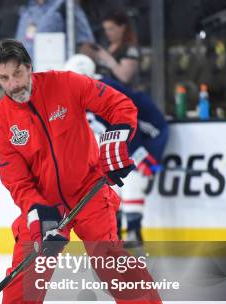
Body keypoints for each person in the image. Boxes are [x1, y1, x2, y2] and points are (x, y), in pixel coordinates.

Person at [0, 39, 175, 304]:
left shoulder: (65, 83)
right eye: (4, 79)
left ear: (29, 67)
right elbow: (18, 182)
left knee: (110, 259)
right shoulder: (0, 124)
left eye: (17, 74)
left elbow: (119, 105)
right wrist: (39, 212)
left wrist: (115, 141)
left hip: (89, 190)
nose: (13, 85)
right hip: (45, 206)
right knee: (26, 273)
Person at [65, 54, 169, 246]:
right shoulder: (80, 95)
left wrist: (141, 156)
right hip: (128, 136)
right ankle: (117, 232)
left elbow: (129, 125)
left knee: (132, 177)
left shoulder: (99, 92)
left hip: (150, 131)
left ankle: (133, 231)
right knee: (110, 180)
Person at [15, 0, 95, 63]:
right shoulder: (27, 8)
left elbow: (86, 43)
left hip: (58, 74)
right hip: (31, 77)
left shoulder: (65, 5)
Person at [90, 10, 139, 85]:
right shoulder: (107, 46)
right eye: (105, 29)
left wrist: (107, 58)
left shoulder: (130, 50)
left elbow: (125, 77)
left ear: (122, 27)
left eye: (111, 29)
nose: (107, 33)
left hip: (119, 92)